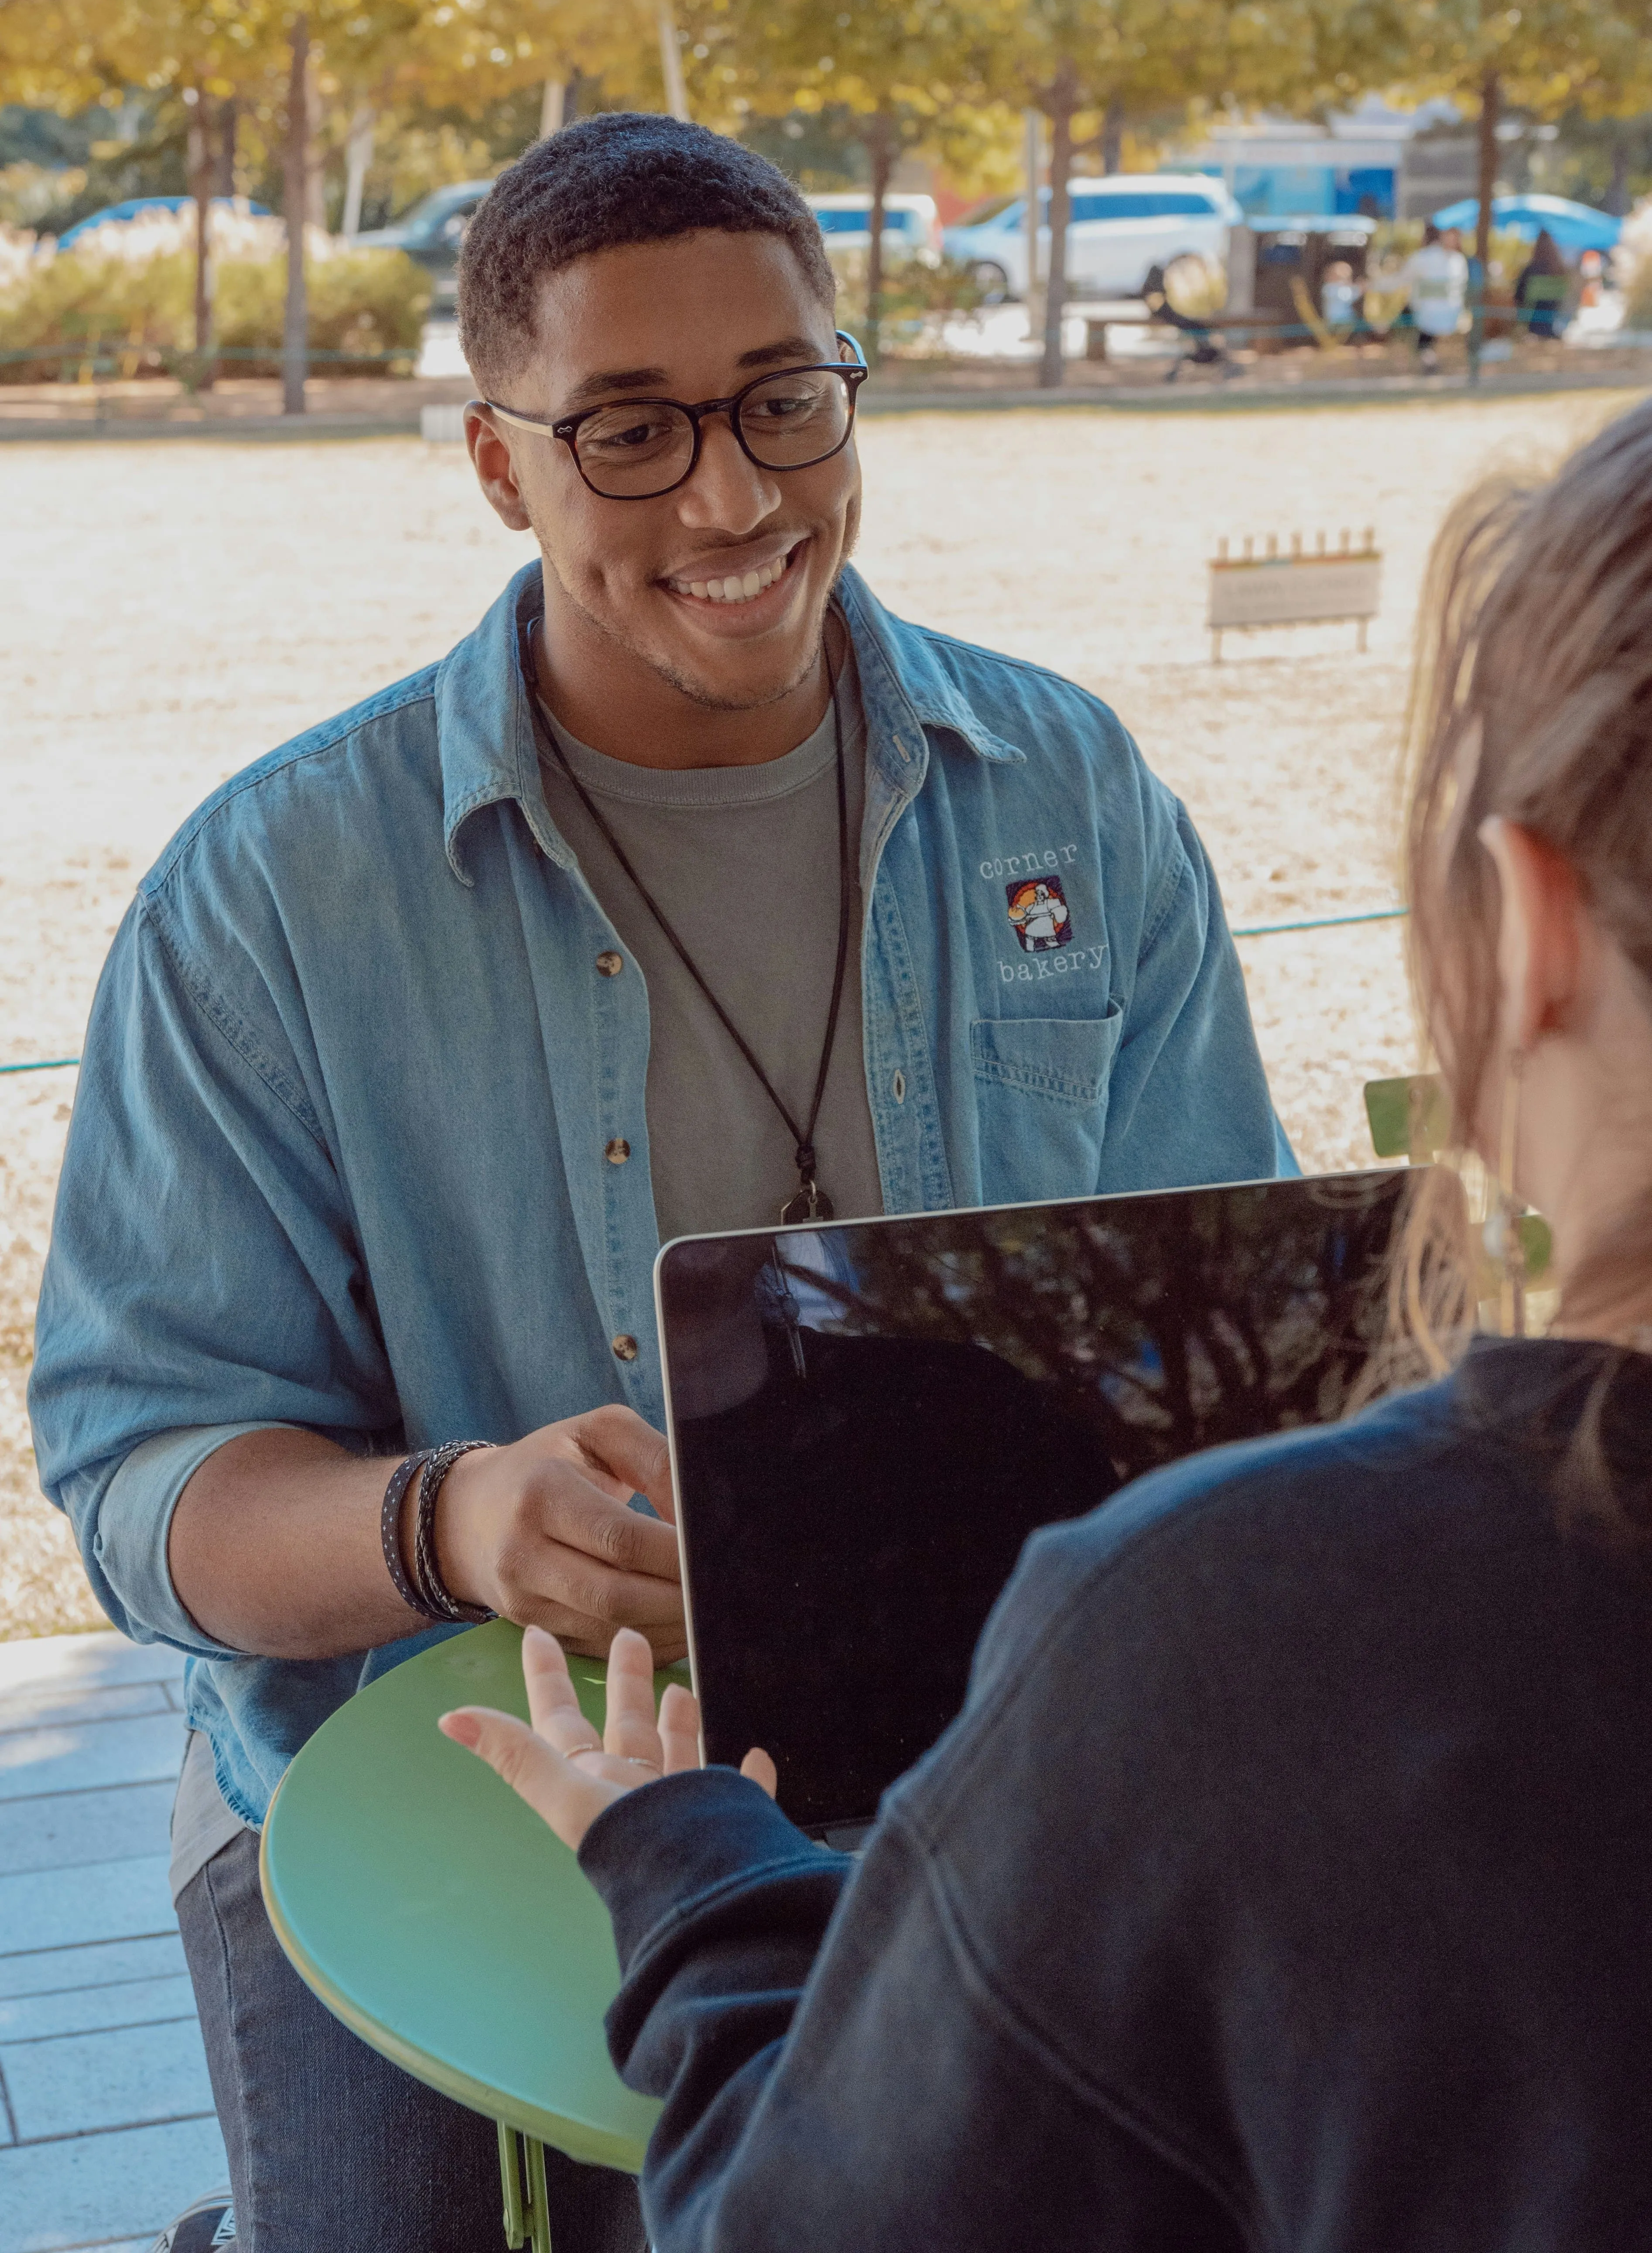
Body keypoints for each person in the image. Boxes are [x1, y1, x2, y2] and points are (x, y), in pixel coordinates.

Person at [29, 113, 1289, 2253]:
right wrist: (450, 1521)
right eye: (629, 430)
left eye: (783, 402)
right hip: (421, 1785)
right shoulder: (273, 894)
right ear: (497, 463)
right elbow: (147, 1489)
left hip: (986, 1738)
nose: (734, 495)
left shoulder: (1069, 789)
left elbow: (1234, 1334)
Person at [448, 393, 1652, 2249]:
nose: (733, 485)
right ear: (499, 457)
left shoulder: (1223, 1626)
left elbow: (807, 2218)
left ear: (1531, 929)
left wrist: (679, 1859)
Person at [1401, 218, 1469, 370]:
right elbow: (1405, 279)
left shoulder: (1458, 261)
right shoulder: (1424, 257)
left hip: (1450, 314)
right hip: (1425, 313)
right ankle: (1427, 359)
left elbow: (1460, 289)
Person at [1515, 227, 1569, 339]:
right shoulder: (1560, 270)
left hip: (1532, 323)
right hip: (1553, 322)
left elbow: (1518, 297)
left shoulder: (1531, 270)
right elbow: (1564, 298)